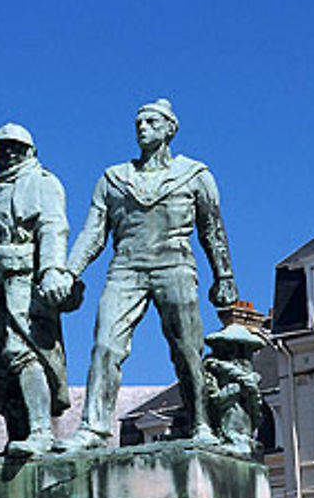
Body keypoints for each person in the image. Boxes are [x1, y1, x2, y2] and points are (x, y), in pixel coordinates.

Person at [59, 98, 238, 450]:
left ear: (170, 129)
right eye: (138, 123)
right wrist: (68, 271)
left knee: (187, 348)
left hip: (175, 263)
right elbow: (93, 233)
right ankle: (94, 429)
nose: (142, 128)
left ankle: (202, 422)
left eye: (151, 122)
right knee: (105, 346)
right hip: (126, 266)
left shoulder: (195, 174)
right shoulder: (114, 178)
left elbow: (213, 231)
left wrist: (224, 277)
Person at [0, 123, 76, 456]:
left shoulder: (42, 183)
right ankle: (18, 437)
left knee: (21, 352)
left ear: (29, 151)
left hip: (25, 283)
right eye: (1, 149)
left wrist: (53, 270)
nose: (8, 153)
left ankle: (41, 431)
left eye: (15, 147)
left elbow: (53, 227)